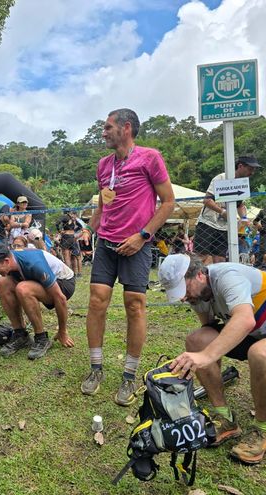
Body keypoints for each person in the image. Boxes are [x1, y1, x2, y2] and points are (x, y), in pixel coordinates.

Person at [159, 254, 266, 464]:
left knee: (261, 353)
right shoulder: (197, 294)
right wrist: (202, 356)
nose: (183, 297)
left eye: (184, 289)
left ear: (199, 275)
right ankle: (225, 417)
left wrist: (206, 357)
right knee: (197, 340)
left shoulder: (228, 276)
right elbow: (208, 329)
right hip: (255, 334)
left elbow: (244, 319)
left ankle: (262, 432)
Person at [80, 108, 175, 406]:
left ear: (127, 128)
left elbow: (168, 202)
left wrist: (142, 236)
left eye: (108, 127)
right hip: (106, 244)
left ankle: (129, 375)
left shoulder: (150, 158)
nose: (104, 133)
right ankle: (96, 369)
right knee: (96, 302)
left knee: (135, 305)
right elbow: (103, 204)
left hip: (137, 244)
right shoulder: (103, 165)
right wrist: (89, 229)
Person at [0, 243, 75, 360]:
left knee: (23, 288)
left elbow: (60, 298)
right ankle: (20, 335)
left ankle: (41, 338)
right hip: (36, 278)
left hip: (63, 282)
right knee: (1, 283)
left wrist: (62, 331)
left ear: (7, 261)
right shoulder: (11, 260)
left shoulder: (34, 264)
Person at [194, 155, 260, 264]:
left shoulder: (242, 183)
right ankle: (193, 274)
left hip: (225, 227)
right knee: (201, 257)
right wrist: (222, 211)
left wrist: (244, 218)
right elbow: (207, 200)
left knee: (220, 260)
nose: (252, 173)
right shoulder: (221, 178)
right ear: (240, 166)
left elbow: (240, 204)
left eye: (253, 170)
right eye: (250, 169)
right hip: (208, 223)